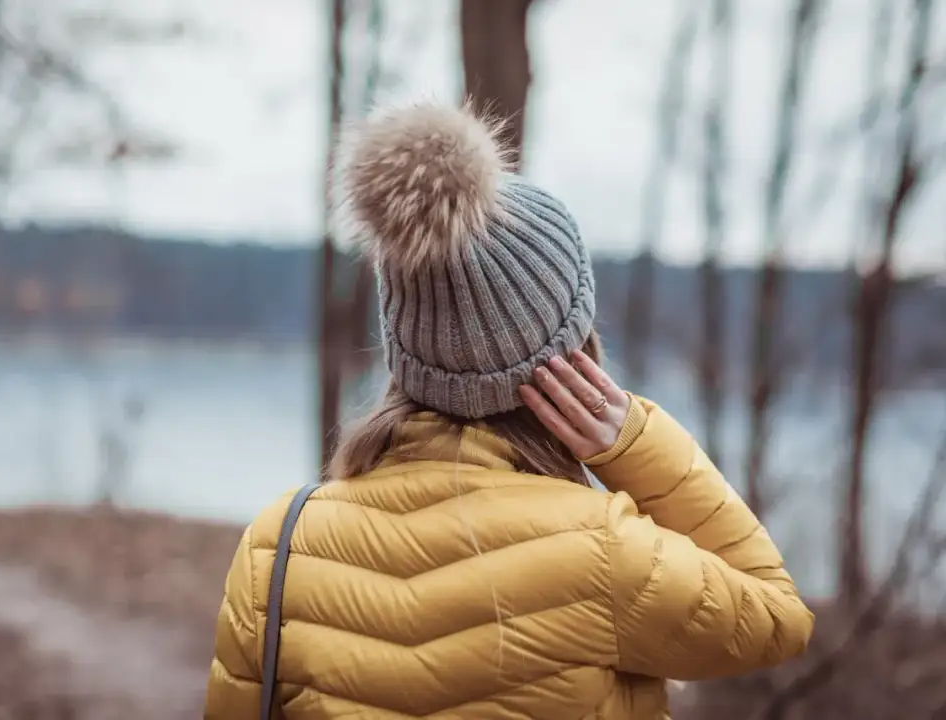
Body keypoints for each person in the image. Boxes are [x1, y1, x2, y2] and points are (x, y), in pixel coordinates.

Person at [205, 103, 814, 719]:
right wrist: (634, 443)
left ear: (405, 347)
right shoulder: (608, 554)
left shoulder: (279, 547)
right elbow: (777, 617)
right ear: (576, 356)